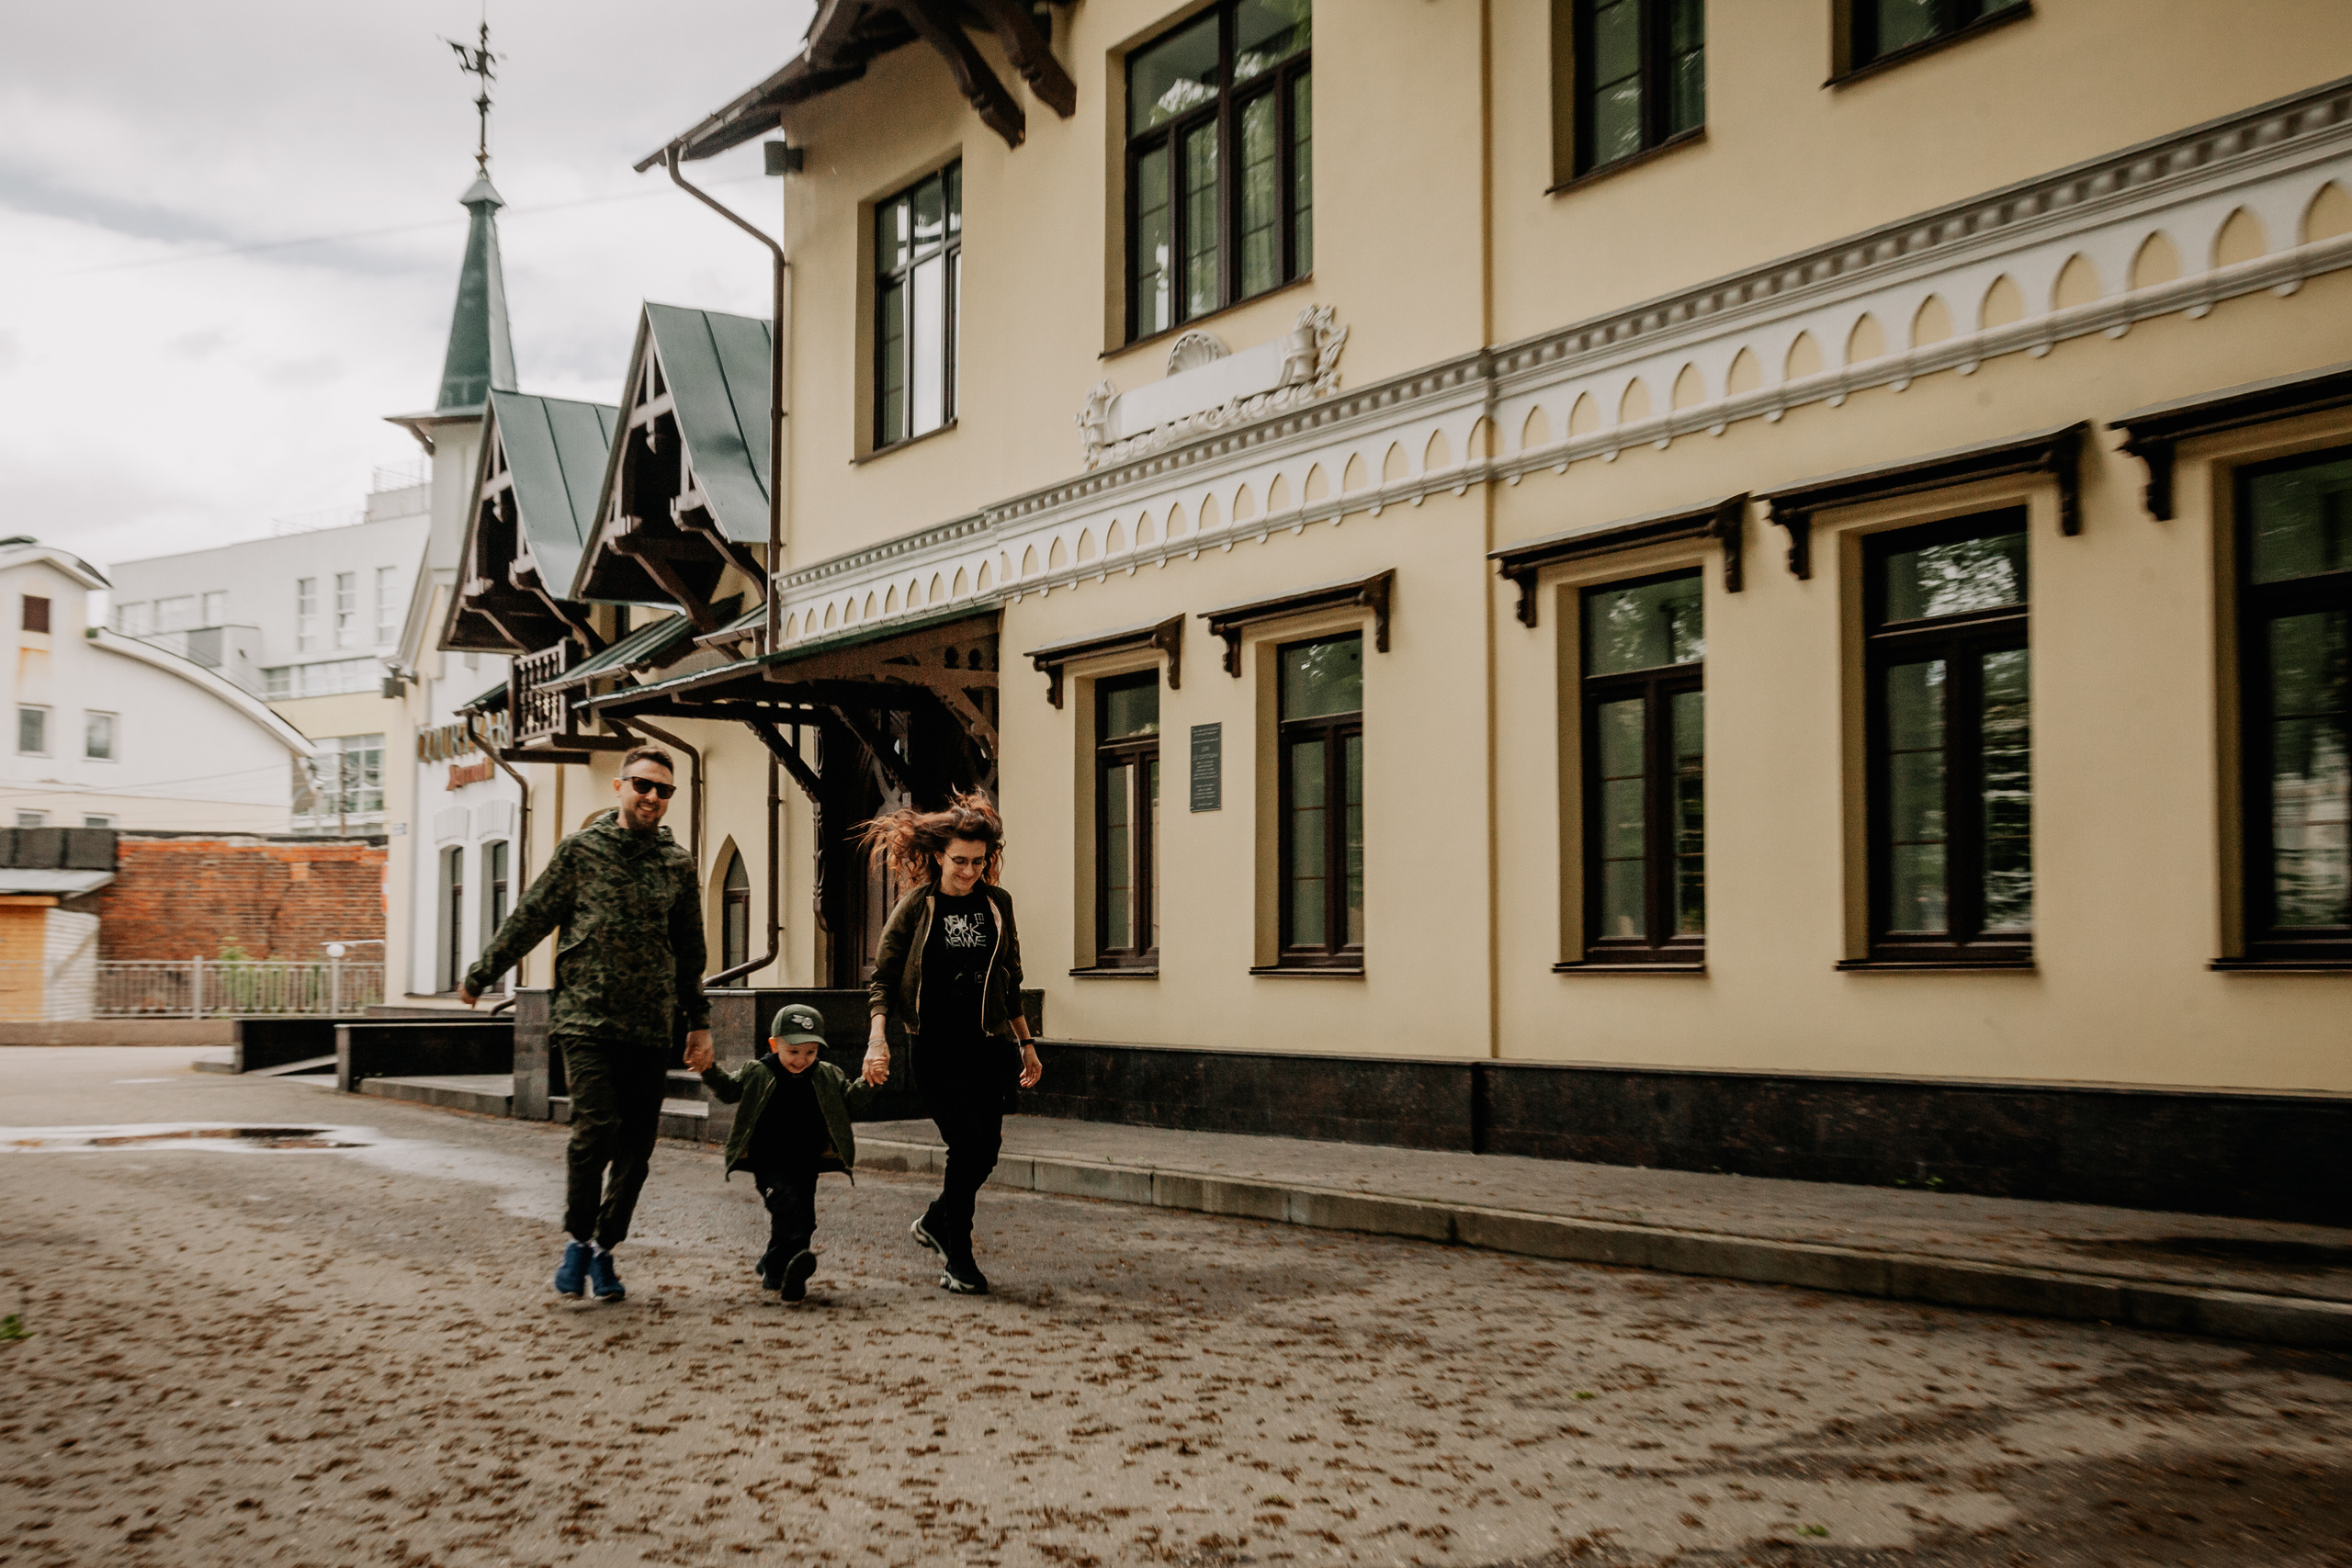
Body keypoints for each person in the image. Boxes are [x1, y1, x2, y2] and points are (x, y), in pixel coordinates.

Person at [461, 745, 710, 1303]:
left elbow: (690, 950)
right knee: (594, 1130)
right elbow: (533, 913)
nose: (652, 797)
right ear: (619, 787)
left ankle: (605, 1248)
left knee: (637, 1149)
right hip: (586, 1020)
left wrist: (699, 1021)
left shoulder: (677, 864)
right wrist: (482, 973)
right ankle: (577, 1237)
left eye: (664, 790)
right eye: (643, 785)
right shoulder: (581, 851)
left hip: (650, 1026)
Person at [859, 792, 1042, 1295]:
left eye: (978, 862)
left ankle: (939, 1219)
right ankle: (957, 1255)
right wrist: (879, 1041)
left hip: (989, 1044)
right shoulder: (917, 907)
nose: (968, 871)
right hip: (936, 1047)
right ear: (939, 855)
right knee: (966, 1143)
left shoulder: (997, 904)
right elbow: (884, 979)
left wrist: (1027, 1043)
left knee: (988, 1151)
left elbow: (1010, 976)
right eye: (959, 861)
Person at [696, 1003, 878, 1303]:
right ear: (774, 1045)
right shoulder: (758, 1072)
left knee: (805, 1221)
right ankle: (790, 1274)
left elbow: (850, 1100)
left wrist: (870, 1082)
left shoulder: (826, 1074)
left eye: (810, 1053)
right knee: (787, 1209)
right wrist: (708, 1069)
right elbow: (729, 1091)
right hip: (767, 1162)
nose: (801, 1060)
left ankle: (776, 1266)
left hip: (805, 1163)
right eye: (793, 1052)